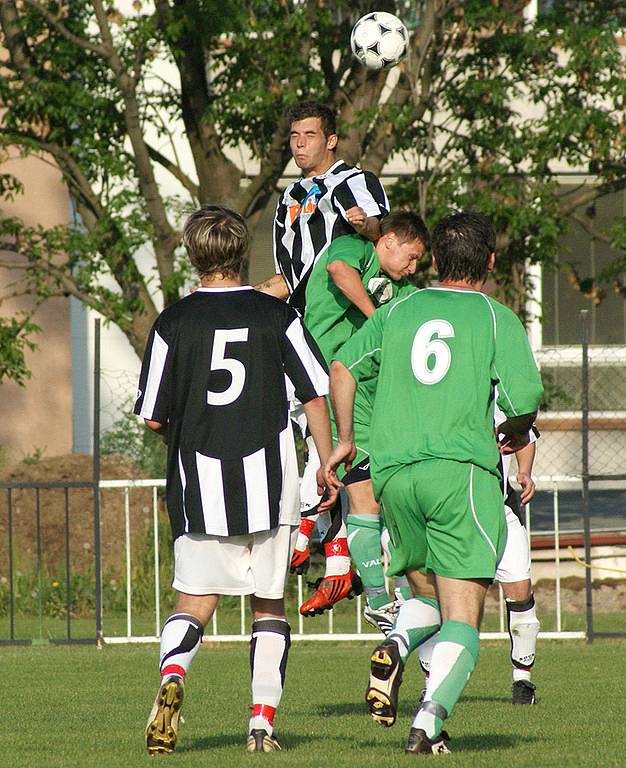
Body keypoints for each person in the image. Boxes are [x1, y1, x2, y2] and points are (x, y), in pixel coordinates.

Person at [324, 211, 544, 754]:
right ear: (491, 262)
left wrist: (347, 438)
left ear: (437, 261)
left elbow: (342, 369)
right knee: (464, 613)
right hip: (460, 473)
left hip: (394, 476)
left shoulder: (399, 308)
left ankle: (398, 646)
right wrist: (511, 433)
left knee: (422, 591)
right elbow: (524, 401)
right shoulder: (496, 318)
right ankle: (428, 718)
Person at [134, 205, 336, 755]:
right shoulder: (276, 315)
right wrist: (325, 460)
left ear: (193, 256)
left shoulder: (173, 323)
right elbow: (314, 391)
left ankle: (173, 675)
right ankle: (261, 724)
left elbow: (153, 415)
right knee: (269, 604)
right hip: (269, 481)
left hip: (200, 482)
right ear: (241, 253)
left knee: (194, 601)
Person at [256, 100, 389, 610]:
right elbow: (290, 278)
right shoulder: (288, 196)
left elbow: (382, 240)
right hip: (299, 327)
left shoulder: (355, 181)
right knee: (304, 438)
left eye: (309, 135)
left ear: (331, 140)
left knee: (333, 440)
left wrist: (368, 226)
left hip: (340, 334)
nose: (299, 144)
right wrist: (242, 296)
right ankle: (328, 553)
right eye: (294, 135)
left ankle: (329, 555)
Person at [296, 211, 429, 623]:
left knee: (375, 494)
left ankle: (390, 595)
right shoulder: (351, 248)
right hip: (318, 378)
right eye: (411, 257)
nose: (413, 267)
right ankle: (348, 575)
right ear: (388, 241)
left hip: (364, 391)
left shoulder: (403, 289)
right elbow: (339, 271)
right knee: (335, 478)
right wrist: (378, 320)